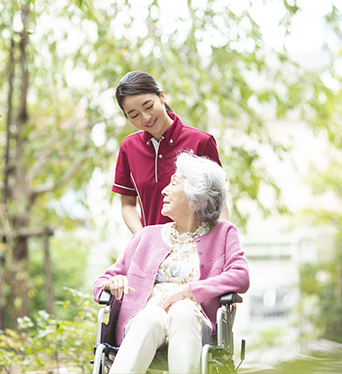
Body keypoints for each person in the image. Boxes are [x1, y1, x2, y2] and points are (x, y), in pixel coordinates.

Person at [93, 152, 249, 373]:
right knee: (152, 316)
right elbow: (101, 282)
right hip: (144, 321)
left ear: (195, 193)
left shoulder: (223, 233)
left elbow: (241, 276)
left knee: (183, 310)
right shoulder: (145, 236)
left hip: (193, 324)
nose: (164, 190)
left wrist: (189, 291)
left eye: (173, 183)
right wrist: (113, 282)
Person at [112, 71, 229, 234]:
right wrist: (143, 238)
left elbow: (219, 203)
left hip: (197, 249)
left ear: (162, 97)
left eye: (149, 106)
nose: (145, 118)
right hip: (152, 253)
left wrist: (219, 245)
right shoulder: (129, 147)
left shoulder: (201, 141)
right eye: (134, 115)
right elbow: (128, 204)